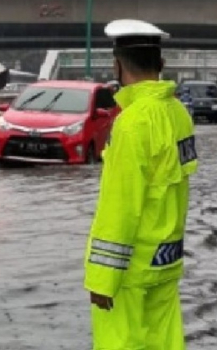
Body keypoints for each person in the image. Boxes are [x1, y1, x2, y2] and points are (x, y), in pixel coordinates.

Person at [84, 19, 198, 350]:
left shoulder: (132, 124)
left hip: (130, 273)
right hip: (166, 260)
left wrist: (104, 278)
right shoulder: (179, 114)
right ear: (160, 65)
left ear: (117, 65)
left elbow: (121, 205)